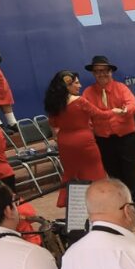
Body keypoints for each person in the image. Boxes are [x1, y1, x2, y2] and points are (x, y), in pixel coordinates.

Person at [44, 70, 106, 209]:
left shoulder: (54, 104)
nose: (80, 85)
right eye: (76, 83)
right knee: (94, 171)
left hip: (65, 142)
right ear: (67, 85)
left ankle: (76, 208)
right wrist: (117, 112)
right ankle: (98, 204)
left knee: (72, 173)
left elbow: (53, 124)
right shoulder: (80, 101)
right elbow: (100, 114)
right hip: (84, 141)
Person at [84, 57, 135, 205]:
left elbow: (132, 104)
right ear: (93, 74)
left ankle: (133, 201)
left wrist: (125, 110)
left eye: (104, 70)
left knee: (129, 169)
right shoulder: (88, 93)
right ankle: (120, 201)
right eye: (97, 71)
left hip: (125, 136)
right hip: (103, 138)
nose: (101, 74)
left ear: (110, 72)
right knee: (112, 171)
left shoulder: (121, 88)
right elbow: (86, 114)